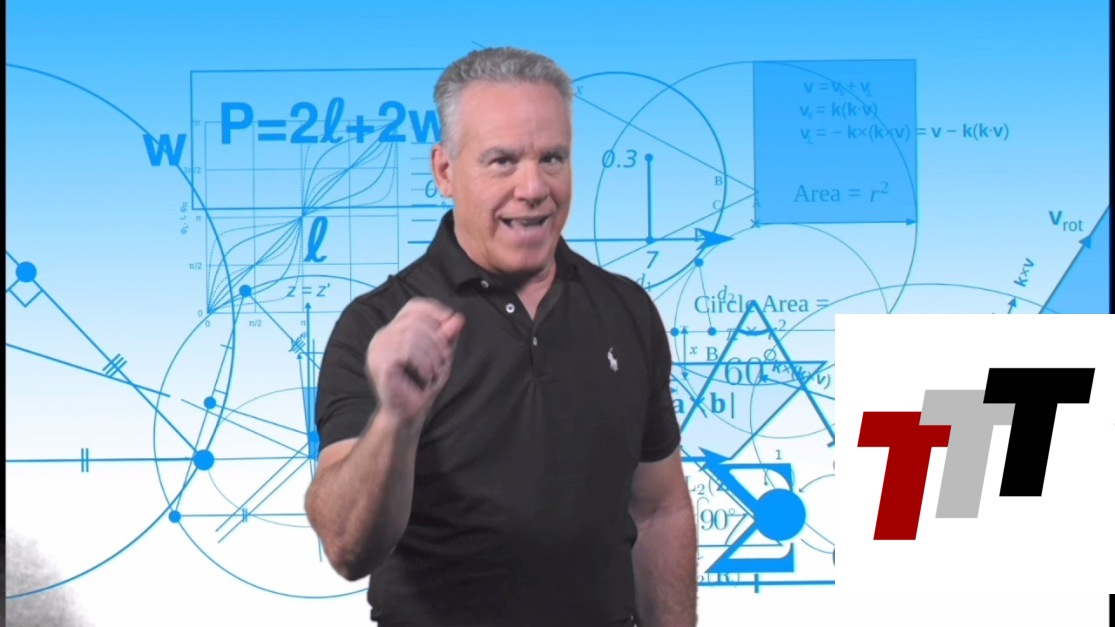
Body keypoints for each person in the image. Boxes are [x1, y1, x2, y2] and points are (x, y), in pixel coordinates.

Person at [304, 46, 697, 627]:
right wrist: (397, 419)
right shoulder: (376, 324)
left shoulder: (626, 310)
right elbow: (346, 547)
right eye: (503, 161)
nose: (533, 187)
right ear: (445, 172)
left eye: (552, 158)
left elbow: (659, 509)